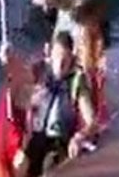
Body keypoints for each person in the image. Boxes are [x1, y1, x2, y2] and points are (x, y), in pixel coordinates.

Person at [19, 31, 98, 177]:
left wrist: (79, 136)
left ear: (71, 59)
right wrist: (7, 59)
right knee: (20, 164)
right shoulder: (40, 71)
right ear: (50, 54)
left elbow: (92, 121)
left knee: (48, 168)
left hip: (58, 142)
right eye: (57, 58)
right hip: (36, 136)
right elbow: (16, 77)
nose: (60, 66)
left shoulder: (76, 81)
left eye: (65, 61)